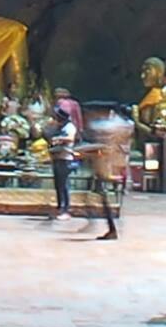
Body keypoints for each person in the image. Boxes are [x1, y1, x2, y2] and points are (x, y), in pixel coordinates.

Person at [88, 108, 130, 239]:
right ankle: (111, 228)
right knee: (103, 196)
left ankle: (112, 229)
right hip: (109, 163)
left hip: (108, 164)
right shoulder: (119, 125)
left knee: (105, 198)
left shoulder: (114, 126)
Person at [47, 87, 81, 218]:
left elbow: (70, 138)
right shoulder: (59, 127)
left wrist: (59, 139)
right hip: (57, 157)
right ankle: (60, 206)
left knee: (64, 184)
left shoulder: (69, 127)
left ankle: (66, 209)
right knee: (58, 184)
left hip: (65, 158)